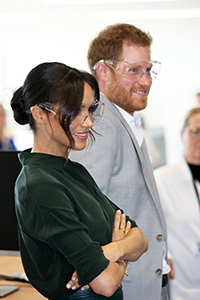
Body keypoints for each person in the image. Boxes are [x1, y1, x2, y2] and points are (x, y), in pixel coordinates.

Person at [10, 62, 148, 300]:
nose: (88, 122)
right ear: (39, 114)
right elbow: (106, 283)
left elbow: (140, 240)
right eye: (75, 111)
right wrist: (121, 256)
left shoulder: (73, 172)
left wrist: (111, 251)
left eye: (90, 109)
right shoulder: (39, 184)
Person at [69, 23, 170, 300]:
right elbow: (86, 216)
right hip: (124, 287)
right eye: (134, 70)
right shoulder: (102, 125)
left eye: (148, 70)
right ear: (103, 71)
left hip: (146, 281)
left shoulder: (127, 121)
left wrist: (161, 258)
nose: (146, 80)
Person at [154, 107, 200, 300]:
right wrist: (165, 256)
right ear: (182, 134)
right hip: (181, 285)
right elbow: (152, 228)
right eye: (195, 131)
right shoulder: (161, 179)